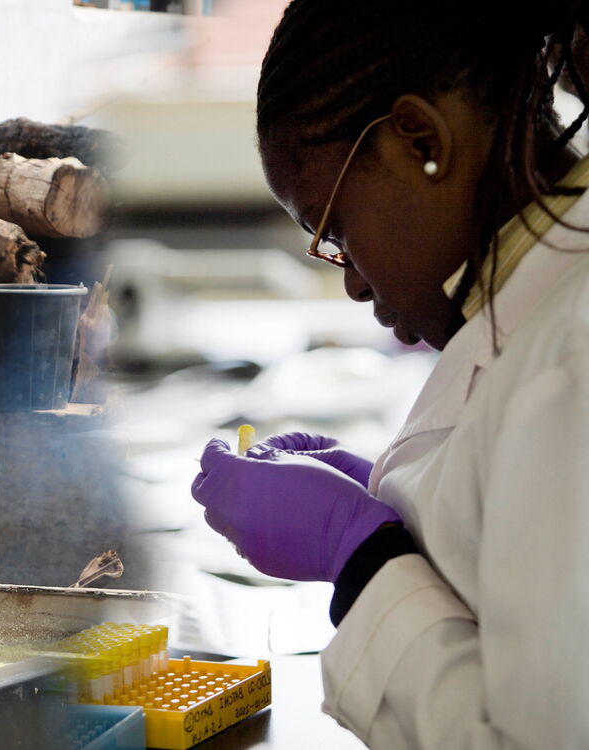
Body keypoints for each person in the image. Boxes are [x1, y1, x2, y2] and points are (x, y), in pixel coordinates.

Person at [191, 2, 589, 747]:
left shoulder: (567, 359)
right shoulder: (537, 308)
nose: (352, 284)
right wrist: (413, 503)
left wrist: (363, 556)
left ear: (420, 141)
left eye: (336, 231)